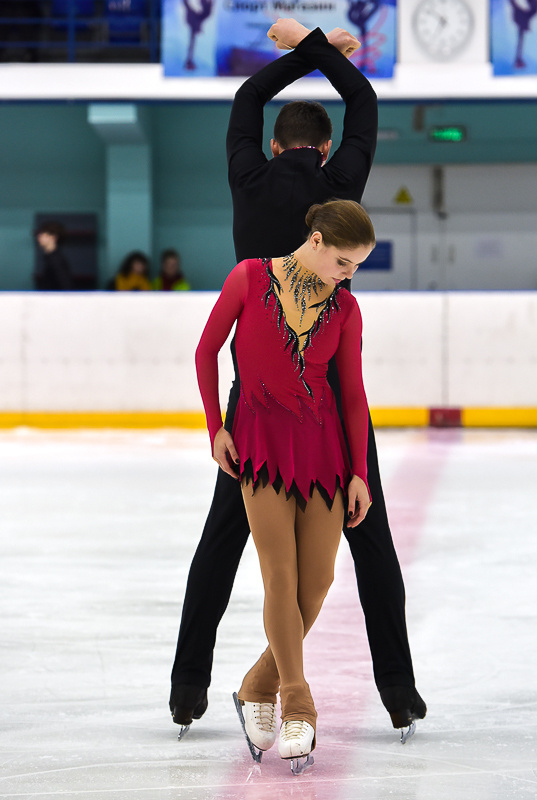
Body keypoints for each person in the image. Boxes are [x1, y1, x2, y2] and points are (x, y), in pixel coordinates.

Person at [170, 18, 426, 742]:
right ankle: (398, 689)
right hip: (329, 400)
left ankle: (188, 685)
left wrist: (298, 49)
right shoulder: (341, 186)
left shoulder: (248, 175)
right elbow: (363, 101)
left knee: (222, 539)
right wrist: (323, 49)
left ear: (276, 146)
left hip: (254, 401)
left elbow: (249, 97)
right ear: (326, 149)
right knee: (369, 539)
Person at [195, 200, 374, 769]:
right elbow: (206, 351)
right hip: (261, 445)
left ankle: (256, 683)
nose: (349, 274)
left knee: (316, 583)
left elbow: (353, 396)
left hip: (323, 451)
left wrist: (359, 472)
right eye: (344, 262)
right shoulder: (248, 278)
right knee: (280, 574)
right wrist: (216, 428)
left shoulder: (346, 308)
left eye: (357, 266)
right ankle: (297, 701)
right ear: (317, 240)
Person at [34, 221, 72, 291]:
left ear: (53, 237)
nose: (39, 237)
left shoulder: (56, 260)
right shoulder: (51, 258)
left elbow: (66, 286)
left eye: (43, 234)